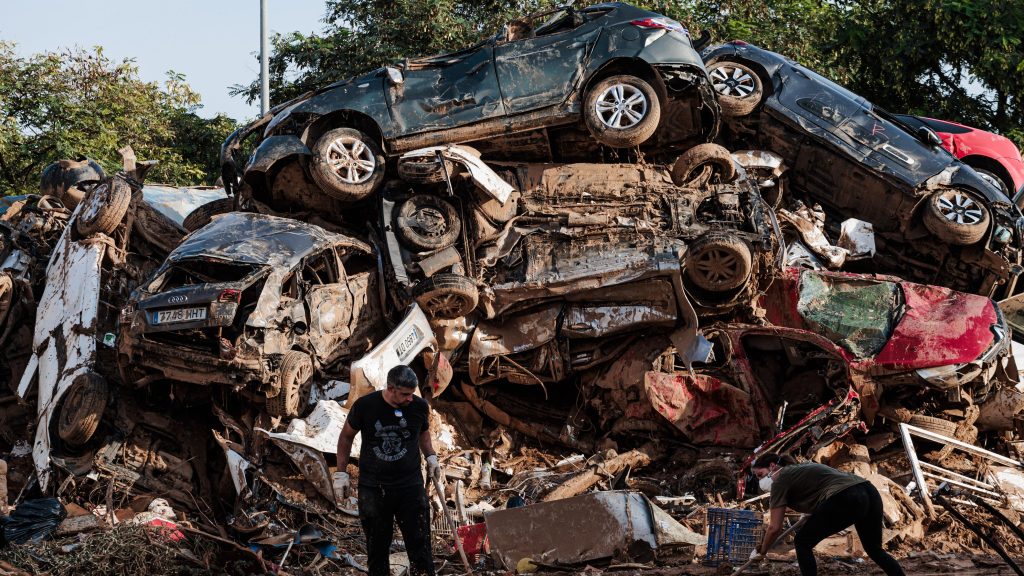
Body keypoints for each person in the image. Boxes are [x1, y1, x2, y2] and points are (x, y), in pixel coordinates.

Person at [334, 365, 442, 576]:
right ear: (391, 388)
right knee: (377, 549)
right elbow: (346, 436)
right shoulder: (366, 406)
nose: (410, 398)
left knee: (420, 546)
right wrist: (341, 473)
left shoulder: (419, 406)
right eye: (405, 394)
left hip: (410, 487)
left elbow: (423, 433)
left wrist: (431, 456)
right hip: (374, 489)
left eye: (412, 393)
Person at [751, 453, 905, 576]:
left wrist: (762, 551)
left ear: (772, 466)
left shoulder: (780, 480)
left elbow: (774, 527)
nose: (760, 481)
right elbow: (819, 490)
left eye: (760, 475)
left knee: (802, 542)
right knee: (874, 549)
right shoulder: (800, 469)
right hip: (869, 491)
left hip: (846, 497)